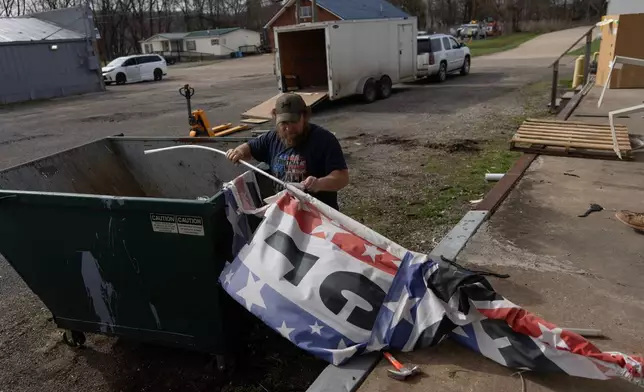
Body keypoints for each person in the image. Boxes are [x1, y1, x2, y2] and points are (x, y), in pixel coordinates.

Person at [226, 93, 349, 210]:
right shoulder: (271, 139)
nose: (289, 129)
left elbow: (342, 178)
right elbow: (248, 148)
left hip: (318, 216)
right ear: (275, 117)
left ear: (304, 116)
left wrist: (319, 184)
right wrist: (238, 152)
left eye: (294, 122)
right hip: (286, 214)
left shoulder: (324, 140)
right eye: (283, 123)